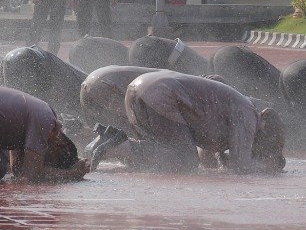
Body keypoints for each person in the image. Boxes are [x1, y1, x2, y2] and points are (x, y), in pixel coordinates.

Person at [118, 70, 286, 175]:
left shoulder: (239, 110)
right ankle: (117, 146)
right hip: (161, 94)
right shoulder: (249, 115)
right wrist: (265, 169)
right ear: (265, 132)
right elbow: (241, 166)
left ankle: (108, 145)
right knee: (185, 161)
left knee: (163, 155)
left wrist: (223, 162)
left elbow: (206, 159)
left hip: (138, 88)